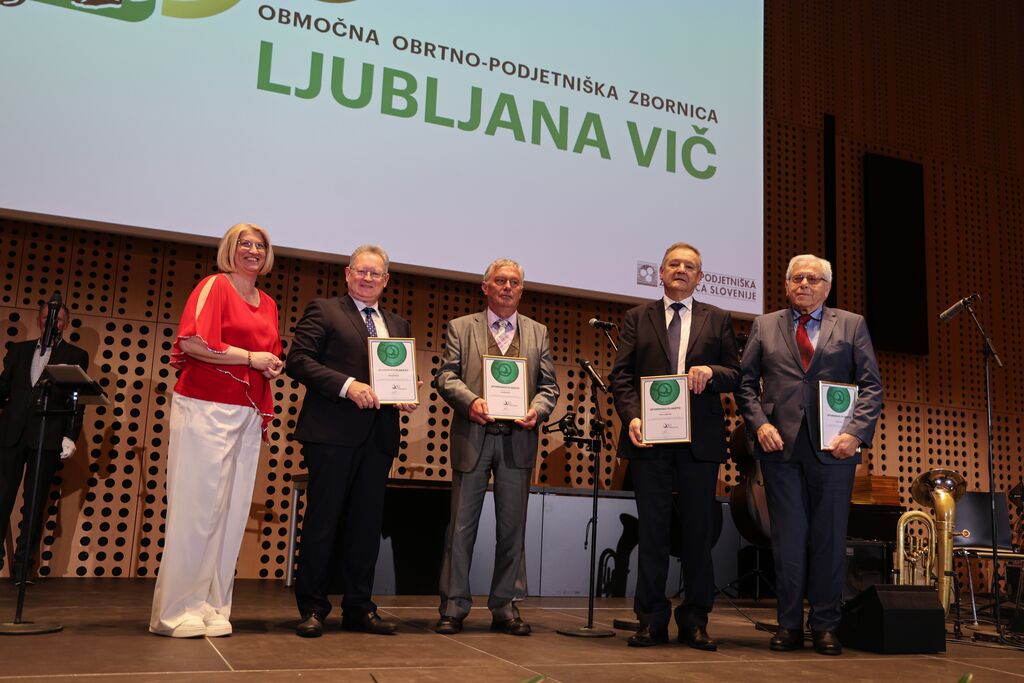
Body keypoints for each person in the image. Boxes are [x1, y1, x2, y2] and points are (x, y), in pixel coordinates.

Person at [736, 254, 882, 656]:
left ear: (827, 287)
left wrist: (855, 433)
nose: (804, 284)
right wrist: (759, 425)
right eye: (797, 278)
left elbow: (871, 385)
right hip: (779, 447)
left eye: (813, 279)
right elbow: (746, 384)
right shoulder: (765, 325)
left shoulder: (851, 324)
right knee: (787, 540)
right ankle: (788, 625)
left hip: (835, 449)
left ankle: (825, 625)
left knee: (829, 541)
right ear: (786, 285)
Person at [149, 223, 283, 638]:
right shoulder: (215, 286)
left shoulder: (268, 303)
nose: (253, 250)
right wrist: (251, 358)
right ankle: (175, 611)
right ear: (230, 249)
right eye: (245, 243)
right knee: (197, 510)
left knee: (230, 512)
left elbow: (268, 353)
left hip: (247, 411)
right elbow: (192, 342)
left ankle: (212, 605)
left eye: (260, 245)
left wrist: (270, 364)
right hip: (205, 406)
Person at [608, 242, 739, 649]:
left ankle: (695, 619)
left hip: (699, 441)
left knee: (699, 533)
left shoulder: (718, 319)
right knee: (653, 531)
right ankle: (651, 618)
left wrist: (712, 372)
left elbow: (736, 374)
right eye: (674, 264)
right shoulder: (637, 317)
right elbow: (621, 376)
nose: (681, 270)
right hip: (649, 439)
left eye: (689, 266)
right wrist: (632, 417)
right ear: (661, 272)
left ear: (700, 276)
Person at [288, 244, 419, 638]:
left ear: (386, 280)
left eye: (375, 273)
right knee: (323, 523)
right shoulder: (324, 310)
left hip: (378, 437)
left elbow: (393, 375)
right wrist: (348, 386)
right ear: (348, 274)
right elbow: (299, 360)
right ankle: (313, 608)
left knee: (365, 528)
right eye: (361, 271)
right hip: (331, 433)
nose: (367, 278)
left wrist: (406, 391)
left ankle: (359, 607)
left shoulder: (398, 325)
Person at [434, 258, 559, 636]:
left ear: (522, 290)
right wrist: (470, 400)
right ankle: (453, 606)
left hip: (518, 440)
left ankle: (505, 606)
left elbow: (549, 387)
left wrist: (537, 410)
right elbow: (445, 376)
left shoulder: (538, 332)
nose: (507, 287)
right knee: (460, 528)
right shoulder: (461, 327)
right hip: (473, 437)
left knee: (512, 528)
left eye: (514, 282)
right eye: (500, 281)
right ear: (485, 287)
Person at [0, 301, 89, 581]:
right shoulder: (19, 350)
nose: (52, 323)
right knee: (2, 497)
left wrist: (70, 435)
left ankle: (23, 568)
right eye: (47, 318)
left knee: (35, 502)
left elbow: (76, 400)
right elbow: (3, 388)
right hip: (12, 434)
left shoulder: (75, 355)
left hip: (47, 436)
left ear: (65, 324)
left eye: (59, 319)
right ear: (39, 320)